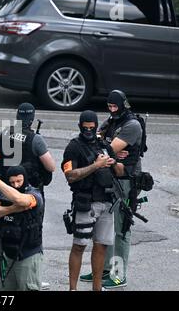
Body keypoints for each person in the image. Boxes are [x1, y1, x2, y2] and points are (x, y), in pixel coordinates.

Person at [80, 90, 143, 289]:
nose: (112, 110)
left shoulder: (132, 125)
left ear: (123, 105)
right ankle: (104, 269)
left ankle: (118, 274)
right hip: (109, 178)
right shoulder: (112, 120)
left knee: (121, 228)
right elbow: (97, 142)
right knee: (104, 226)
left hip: (126, 181)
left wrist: (106, 147)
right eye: (110, 107)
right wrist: (107, 146)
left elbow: (104, 149)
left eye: (115, 107)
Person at [62, 110, 125, 291]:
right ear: (80, 126)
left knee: (101, 247)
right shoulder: (74, 147)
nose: (88, 131)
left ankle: (97, 288)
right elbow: (70, 175)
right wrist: (96, 165)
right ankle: (72, 288)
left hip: (106, 203)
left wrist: (113, 163)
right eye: (85, 128)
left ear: (96, 126)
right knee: (79, 246)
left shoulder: (104, 145)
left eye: (92, 127)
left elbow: (120, 172)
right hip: (86, 203)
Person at [0, 165, 44, 291]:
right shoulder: (5, 194)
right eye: (12, 182)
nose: (15, 185)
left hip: (27, 255)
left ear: (25, 179)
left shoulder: (34, 194)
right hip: (7, 254)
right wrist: (12, 209)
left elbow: (21, 200)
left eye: (19, 181)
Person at [0, 102, 55, 200]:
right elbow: (51, 167)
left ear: (17, 116)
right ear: (32, 119)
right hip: (29, 191)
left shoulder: (4, 133)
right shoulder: (36, 139)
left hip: (7, 187)